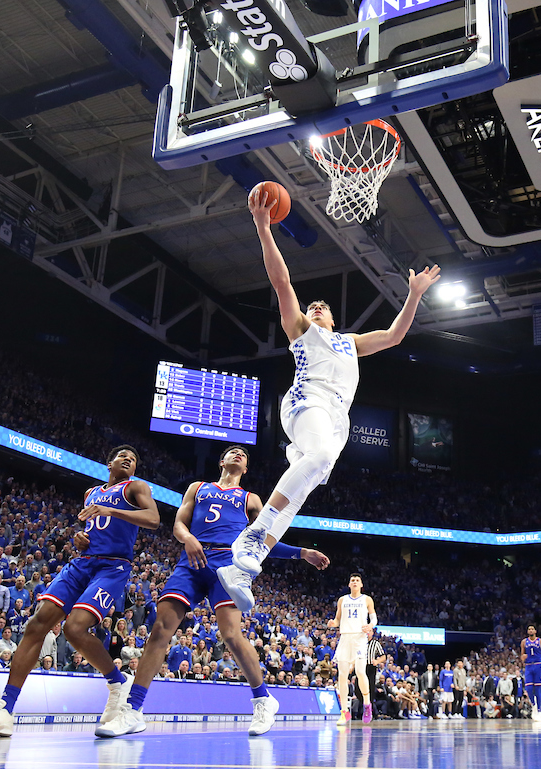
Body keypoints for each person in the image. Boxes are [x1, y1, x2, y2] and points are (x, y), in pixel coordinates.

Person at [217, 186, 441, 612]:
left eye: (323, 306)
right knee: (316, 459)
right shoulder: (303, 330)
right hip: (306, 402)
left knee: (303, 488)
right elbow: (281, 281)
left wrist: (413, 295)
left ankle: (244, 567)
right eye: (313, 305)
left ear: (335, 318)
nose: (316, 308)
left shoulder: (351, 342)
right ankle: (249, 537)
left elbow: (394, 337)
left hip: (337, 421)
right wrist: (264, 228)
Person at [97, 445, 329, 738]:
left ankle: (263, 700)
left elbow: (265, 539)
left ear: (245, 469)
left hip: (229, 562)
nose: (237, 454)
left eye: (243, 455)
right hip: (192, 559)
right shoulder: (198, 487)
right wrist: (189, 539)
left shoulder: (250, 498)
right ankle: (133, 711)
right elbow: (179, 523)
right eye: (232, 452)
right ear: (221, 461)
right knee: (160, 628)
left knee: (231, 635)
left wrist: (300, 552)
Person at [0, 446, 159, 737]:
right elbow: (93, 531)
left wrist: (110, 510)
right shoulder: (91, 492)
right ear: (109, 463)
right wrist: (81, 538)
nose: (129, 458)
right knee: (36, 624)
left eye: (134, 457)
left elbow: (153, 520)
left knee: (75, 629)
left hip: (113, 567)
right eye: (123, 456)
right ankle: (4, 710)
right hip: (82, 563)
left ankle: (117, 681)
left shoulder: (135, 487)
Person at [328, 574, 377, 726]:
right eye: (352, 580)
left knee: (361, 672)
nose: (354, 582)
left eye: (357, 580)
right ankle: (344, 712)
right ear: (349, 584)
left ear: (361, 584)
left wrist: (370, 626)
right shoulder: (342, 600)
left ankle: (367, 705)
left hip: (360, 638)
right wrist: (332, 623)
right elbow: (337, 619)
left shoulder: (367, 599)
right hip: (345, 638)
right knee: (342, 676)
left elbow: (374, 618)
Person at [520, 625, 541, 721]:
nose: (531, 630)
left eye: (532, 629)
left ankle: (539, 711)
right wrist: (522, 658)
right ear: (527, 631)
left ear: (535, 631)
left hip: (538, 665)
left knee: (537, 689)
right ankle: (534, 705)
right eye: (529, 629)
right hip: (529, 666)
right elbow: (522, 656)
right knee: (528, 688)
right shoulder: (524, 642)